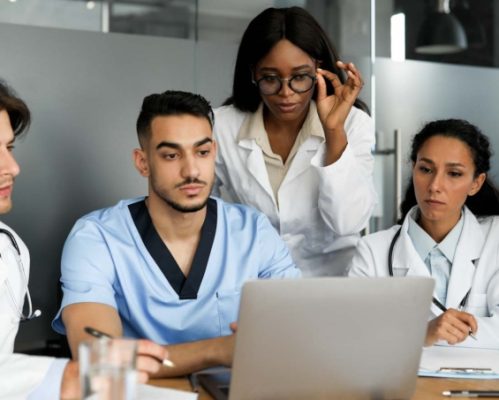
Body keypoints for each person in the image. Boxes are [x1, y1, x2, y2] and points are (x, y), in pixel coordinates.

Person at [52, 90, 300, 377]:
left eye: (202, 152)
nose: (191, 170)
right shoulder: (97, 238)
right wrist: (220, 350)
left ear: (214, 153)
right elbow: (98, 359)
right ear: (142, 162)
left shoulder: (253, 231)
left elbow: (296, 331)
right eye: (171, 155)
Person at [0, 81, 167, 399]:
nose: (13, 168)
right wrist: (69, 376)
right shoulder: (97, 234)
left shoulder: (10, 249)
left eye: (8, 148)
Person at [213, 6, 377, 276]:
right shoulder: (222, 126)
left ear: (319, 70)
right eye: (270, 79)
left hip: (332, 283)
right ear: (253, 73)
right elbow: (202, 215)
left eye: (300, 77)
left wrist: (333, 130)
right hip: (252, 279)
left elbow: (347, 222)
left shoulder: (353, 124)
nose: (286, 93)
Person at [348, 119, 499, 349]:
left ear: (476, 183)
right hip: (404, 384)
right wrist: (423, 333)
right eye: (426, 169)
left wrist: (415, 336)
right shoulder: (373, 250)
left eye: (454, 174)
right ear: (413, 168)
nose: (435, 185)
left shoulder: (495, 239)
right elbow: (354, 337)